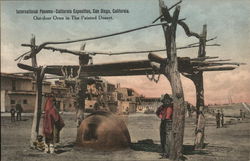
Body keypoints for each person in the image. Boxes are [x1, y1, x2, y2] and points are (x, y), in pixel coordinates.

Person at [156, 93, 173, 158]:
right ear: (164, 101)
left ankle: (168, 153)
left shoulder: (172, 106)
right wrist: (161, 116)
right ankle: (164, 153)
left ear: (170, 100)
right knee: (162, 138)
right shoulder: (162, 107)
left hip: (170, 123)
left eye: (168, 100)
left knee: (168, 139)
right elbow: (157, 112)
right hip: (163, 122)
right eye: (165, 100)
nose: (167, 101)